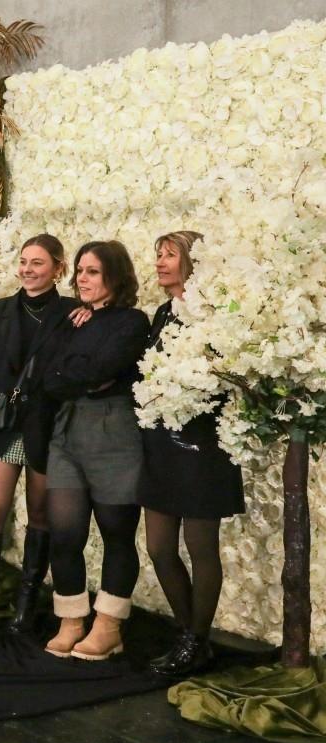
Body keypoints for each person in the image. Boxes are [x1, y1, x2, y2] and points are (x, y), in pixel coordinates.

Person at [0, 234, 83, 646]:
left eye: (38, 263)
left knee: (41, 516)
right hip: (1, 424)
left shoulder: (72, 313)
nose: (28, 270)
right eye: (24, 261)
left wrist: (89, 318)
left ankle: (26, 605)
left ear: (58, 269)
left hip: (48, 427)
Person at [138, 231, 245, 675]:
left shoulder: (215, 314)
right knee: (160, 547)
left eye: (170, 255)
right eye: (158, 254)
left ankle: (196, 639)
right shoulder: (161, 313)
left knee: (202, 547)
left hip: (204, 445)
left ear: (193, 262)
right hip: (162, 442)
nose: (161, 262)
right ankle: (190, 635)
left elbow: (228, 375)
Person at [41, 241, 150, 660]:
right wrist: (80, 375)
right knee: (65, 533)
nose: (82, 280)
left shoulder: (133, 321)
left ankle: (109, 626)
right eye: (80, 272)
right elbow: (47, 377)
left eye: (93, 272)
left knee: (116, 533)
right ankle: (71, 620)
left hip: (114, 433)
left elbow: (104, 369)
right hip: (67, 430)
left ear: (115, 277)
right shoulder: (73, 320)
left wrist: (78, 374)